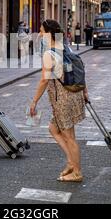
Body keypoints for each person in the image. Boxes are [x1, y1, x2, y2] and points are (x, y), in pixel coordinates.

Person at [30, 19, 88, 183]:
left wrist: (34, 101)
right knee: (54, 129)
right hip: (73, 94)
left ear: (48, 33)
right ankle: (71, 162)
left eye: (41, 31)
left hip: (63, 98)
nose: (40, 34)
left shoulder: (49, 53)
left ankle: (77, 172)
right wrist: (85, 91)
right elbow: (81, 70)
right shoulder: (66, 47)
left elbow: (44, 80)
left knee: (69, 136)